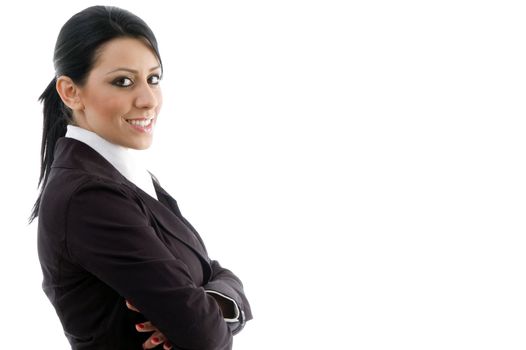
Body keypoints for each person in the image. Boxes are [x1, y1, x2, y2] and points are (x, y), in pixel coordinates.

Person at [30, 5, 252, 350]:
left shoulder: (123, 176)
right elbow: (205, 337)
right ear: (71, 92)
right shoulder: (90, 196)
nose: (148, 100)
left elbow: (216, 272)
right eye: (123, 81)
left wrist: (211, 300)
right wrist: (201, 309)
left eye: (153, 78)